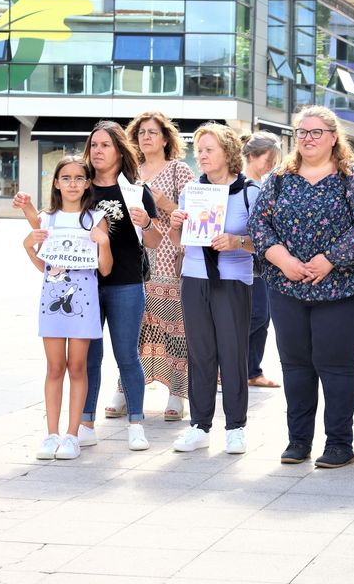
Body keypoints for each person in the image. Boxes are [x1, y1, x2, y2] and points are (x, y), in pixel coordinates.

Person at [249, 106, 354, 469]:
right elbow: (258, 224)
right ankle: (298, 441)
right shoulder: (279, 177)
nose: (308, 138)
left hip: (341, 287)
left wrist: (330, 259)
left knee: (335, 365)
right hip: (286, 285)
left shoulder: (352, 177)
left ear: (333, 137)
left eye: (316, 132)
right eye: (302, 132)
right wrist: (284, 261)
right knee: (295, 365)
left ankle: (339, 444)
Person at [170, 124, 259, 456]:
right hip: (194, 279)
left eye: (209, 150)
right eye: (199, 151)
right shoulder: (193, 191)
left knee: (232, 353)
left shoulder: (250, 191)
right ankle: (199, 425)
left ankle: (236, 427)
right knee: (200, 353)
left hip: (233, 280)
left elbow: (264, 244)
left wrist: (237, 241)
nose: (202, 156)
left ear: (228, 152)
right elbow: (183, 244)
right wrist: (177, 225)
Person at [105, 112, 195, 423]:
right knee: (134, 328)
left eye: (153, 132)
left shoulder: (178, 170)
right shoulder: (129, 171)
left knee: (175, 328)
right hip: (134, 258)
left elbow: (197, 210)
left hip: (169, 256)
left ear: (166, 138)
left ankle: (177, 393)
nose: (146, 137)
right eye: (141, 132)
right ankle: (124, 389)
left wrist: (164, 204)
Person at [22, 156, 113, 461]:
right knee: (54, 367)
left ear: (88, 183)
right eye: (66, 178)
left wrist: (104, 244)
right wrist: (29, 247)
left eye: (78, 178)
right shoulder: (47, 219)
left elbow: (106, 269)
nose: (72, 184)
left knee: (77, 367)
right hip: (52, 304)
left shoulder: (95, 218)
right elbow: (45, 268)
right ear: (56, 183)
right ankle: (51, 433)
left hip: (84, 305)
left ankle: (73, 435)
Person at [79, 121, 162, 451]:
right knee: (89, 356)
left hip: (126, 283)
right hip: (85, 283)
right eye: (93, 145)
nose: (97, 151)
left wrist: (147, 222)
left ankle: (136, 423)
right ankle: (85, 421)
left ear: (119, 151)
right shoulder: (80, 187)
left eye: (105, 145)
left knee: (127, 354)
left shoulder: (136, 191)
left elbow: (154, 241)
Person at [242, 131, 282, 388]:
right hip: (248, 260)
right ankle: (233, 364)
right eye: (268, 160)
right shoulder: (247, 186)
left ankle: (252, 369)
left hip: (263, 262)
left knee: (262, 317)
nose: (270, 166)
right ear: (253, 157)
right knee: (256, 316)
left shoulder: (262, 184)